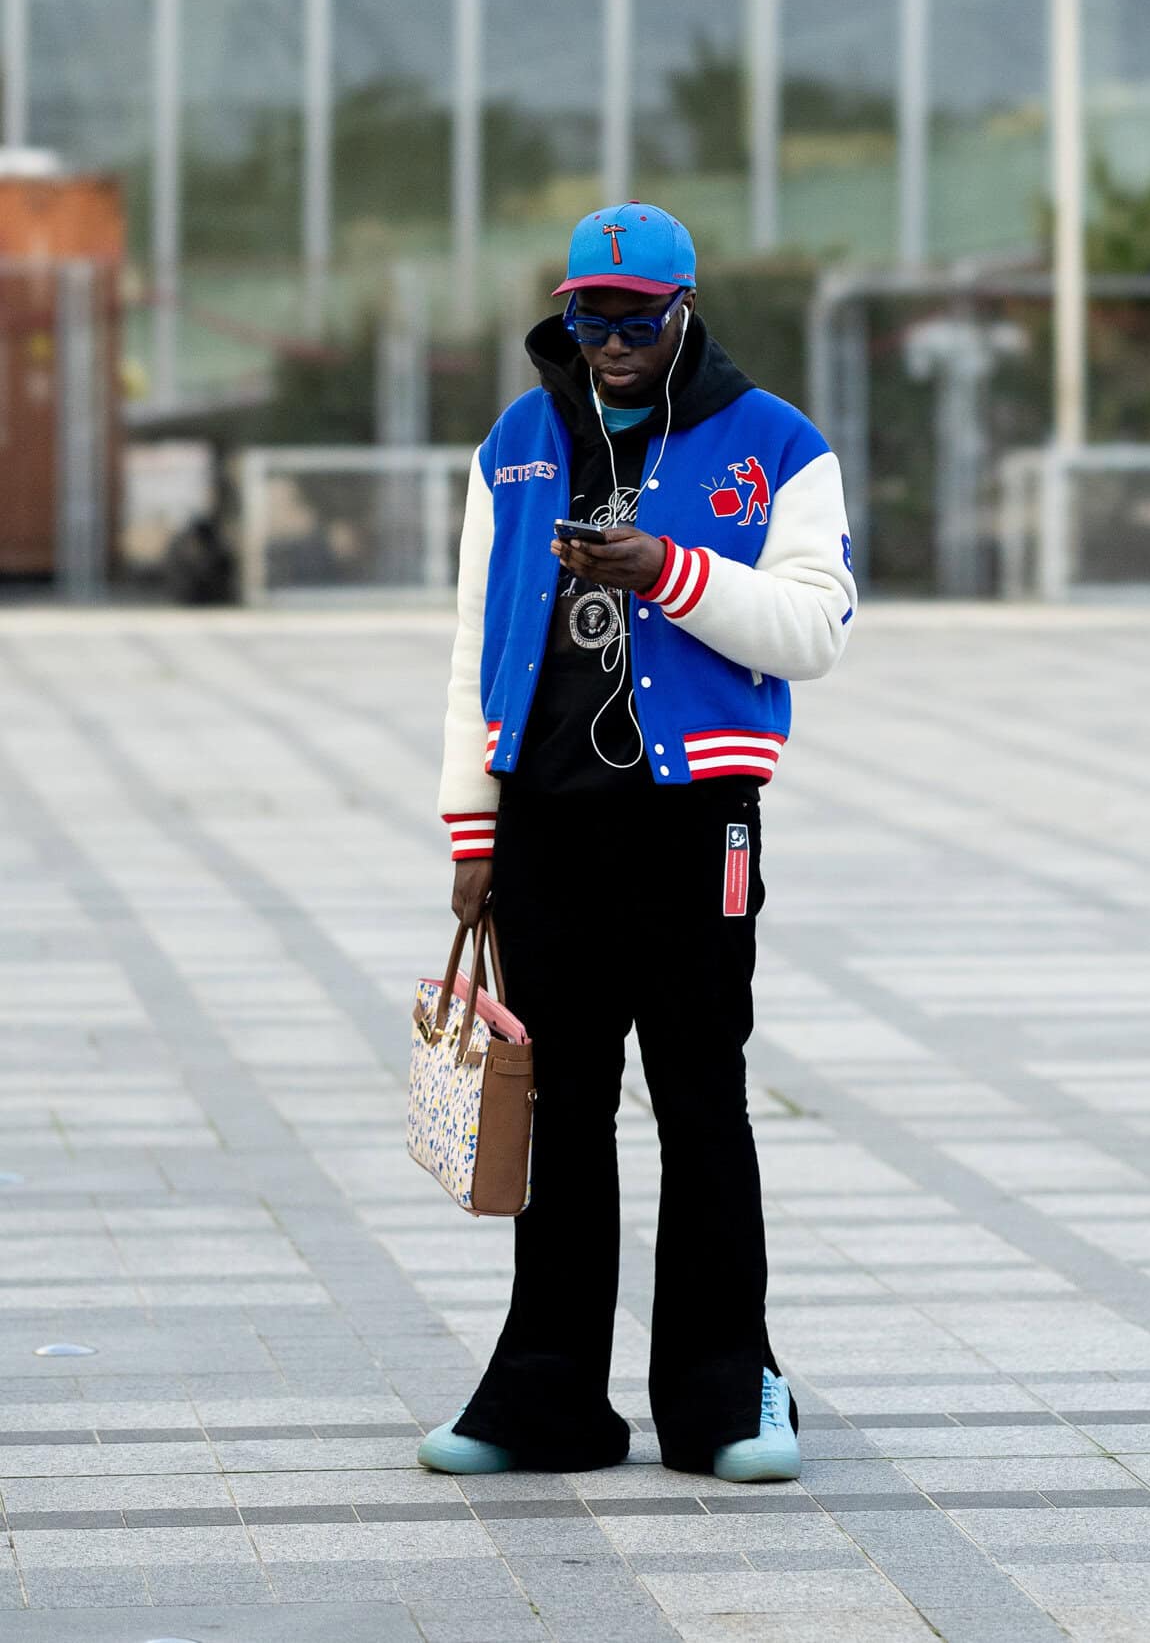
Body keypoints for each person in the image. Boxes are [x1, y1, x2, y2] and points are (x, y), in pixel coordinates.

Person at [417, 202, 857, 1484]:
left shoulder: (777, 445)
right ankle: (547, 1392)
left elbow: (817, 627)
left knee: (701, 1097)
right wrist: (470, 824)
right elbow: (468, 646)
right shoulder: (513, 444)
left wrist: (666, 567)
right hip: (546, 820)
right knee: (561, 1108)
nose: (608, 341)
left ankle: (725, 1391)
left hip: (693, 819)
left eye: (636, 318)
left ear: (683, 311)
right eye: (587, 317)